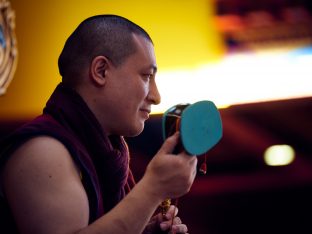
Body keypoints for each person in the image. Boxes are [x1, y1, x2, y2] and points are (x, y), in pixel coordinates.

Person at [0, 15, 198, 234]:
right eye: (146, 76)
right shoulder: (42, 152)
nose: (156, 96)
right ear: (101, 71)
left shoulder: (104, 150)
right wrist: (152, 189)